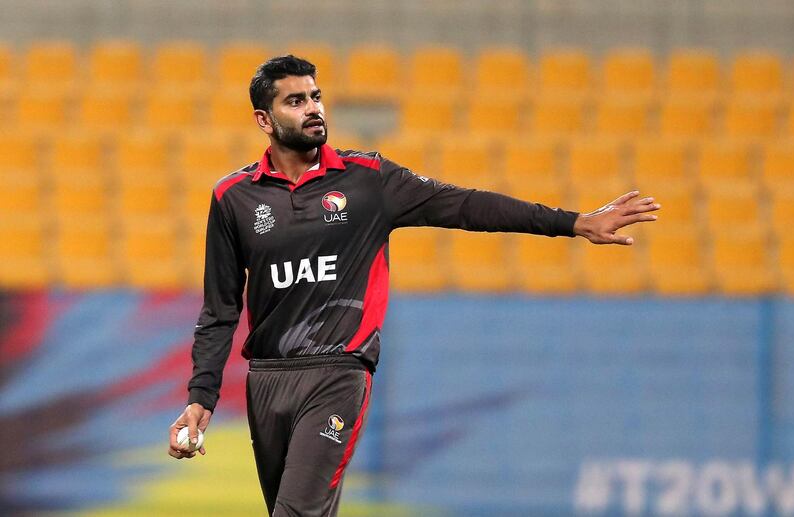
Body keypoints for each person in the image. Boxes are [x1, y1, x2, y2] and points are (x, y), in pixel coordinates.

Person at [168, 55, 660, 516]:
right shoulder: (234, 197)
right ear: (264, 119)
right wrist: (201, 398)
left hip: (337, 373)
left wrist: (573, 223)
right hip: (268, 379)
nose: (313, 109)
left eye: (315, 96)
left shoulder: (369, 180)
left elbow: (467, 206)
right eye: (295, 101)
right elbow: (219, 310)